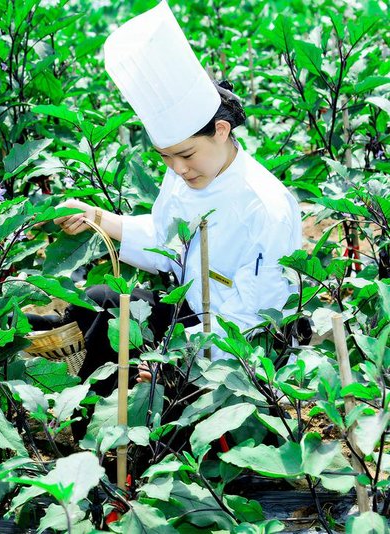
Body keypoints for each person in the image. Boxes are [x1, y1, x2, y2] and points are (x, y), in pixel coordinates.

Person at [51, 1, 302, 392]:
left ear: (221, 131)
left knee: (123, 346)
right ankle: (99, 408)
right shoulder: (185, 174)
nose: (178, 169)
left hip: (238, 345)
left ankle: (108, 416)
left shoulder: (265, 206)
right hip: (192, 313)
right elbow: (166, 239)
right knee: (101, 299)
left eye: (186, 155)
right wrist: (96, 217)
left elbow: (256, 318)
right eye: (166, 157)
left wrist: (178, 354)